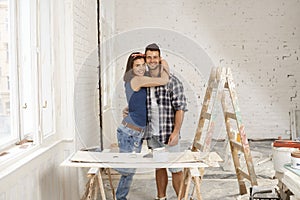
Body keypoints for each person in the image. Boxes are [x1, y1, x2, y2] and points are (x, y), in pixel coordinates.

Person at [115, 52, 169, 200]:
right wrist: (161, 61)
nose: (140, 68)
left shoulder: (138, 80)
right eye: (137, 65)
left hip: (135, 132)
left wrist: (128, 108)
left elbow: (138, 102)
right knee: (127, 169)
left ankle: (120, 196)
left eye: (142, 65)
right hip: (129, 132)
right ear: (131, 68)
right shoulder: (136, 79)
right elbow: (164, 80)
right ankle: (104, 165)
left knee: (129, 170)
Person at [144, 43, 187, 200]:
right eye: (149, 57)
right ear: (146, 59)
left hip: (169, 133)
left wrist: (176, 132)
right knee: (160, 166)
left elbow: (180, 108)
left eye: (155, 57)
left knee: (175, 168)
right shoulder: (145, 81)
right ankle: (161, 197)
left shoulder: (172, 81)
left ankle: (181, 198)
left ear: (160, 59)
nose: (152, 60)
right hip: (153, 133)